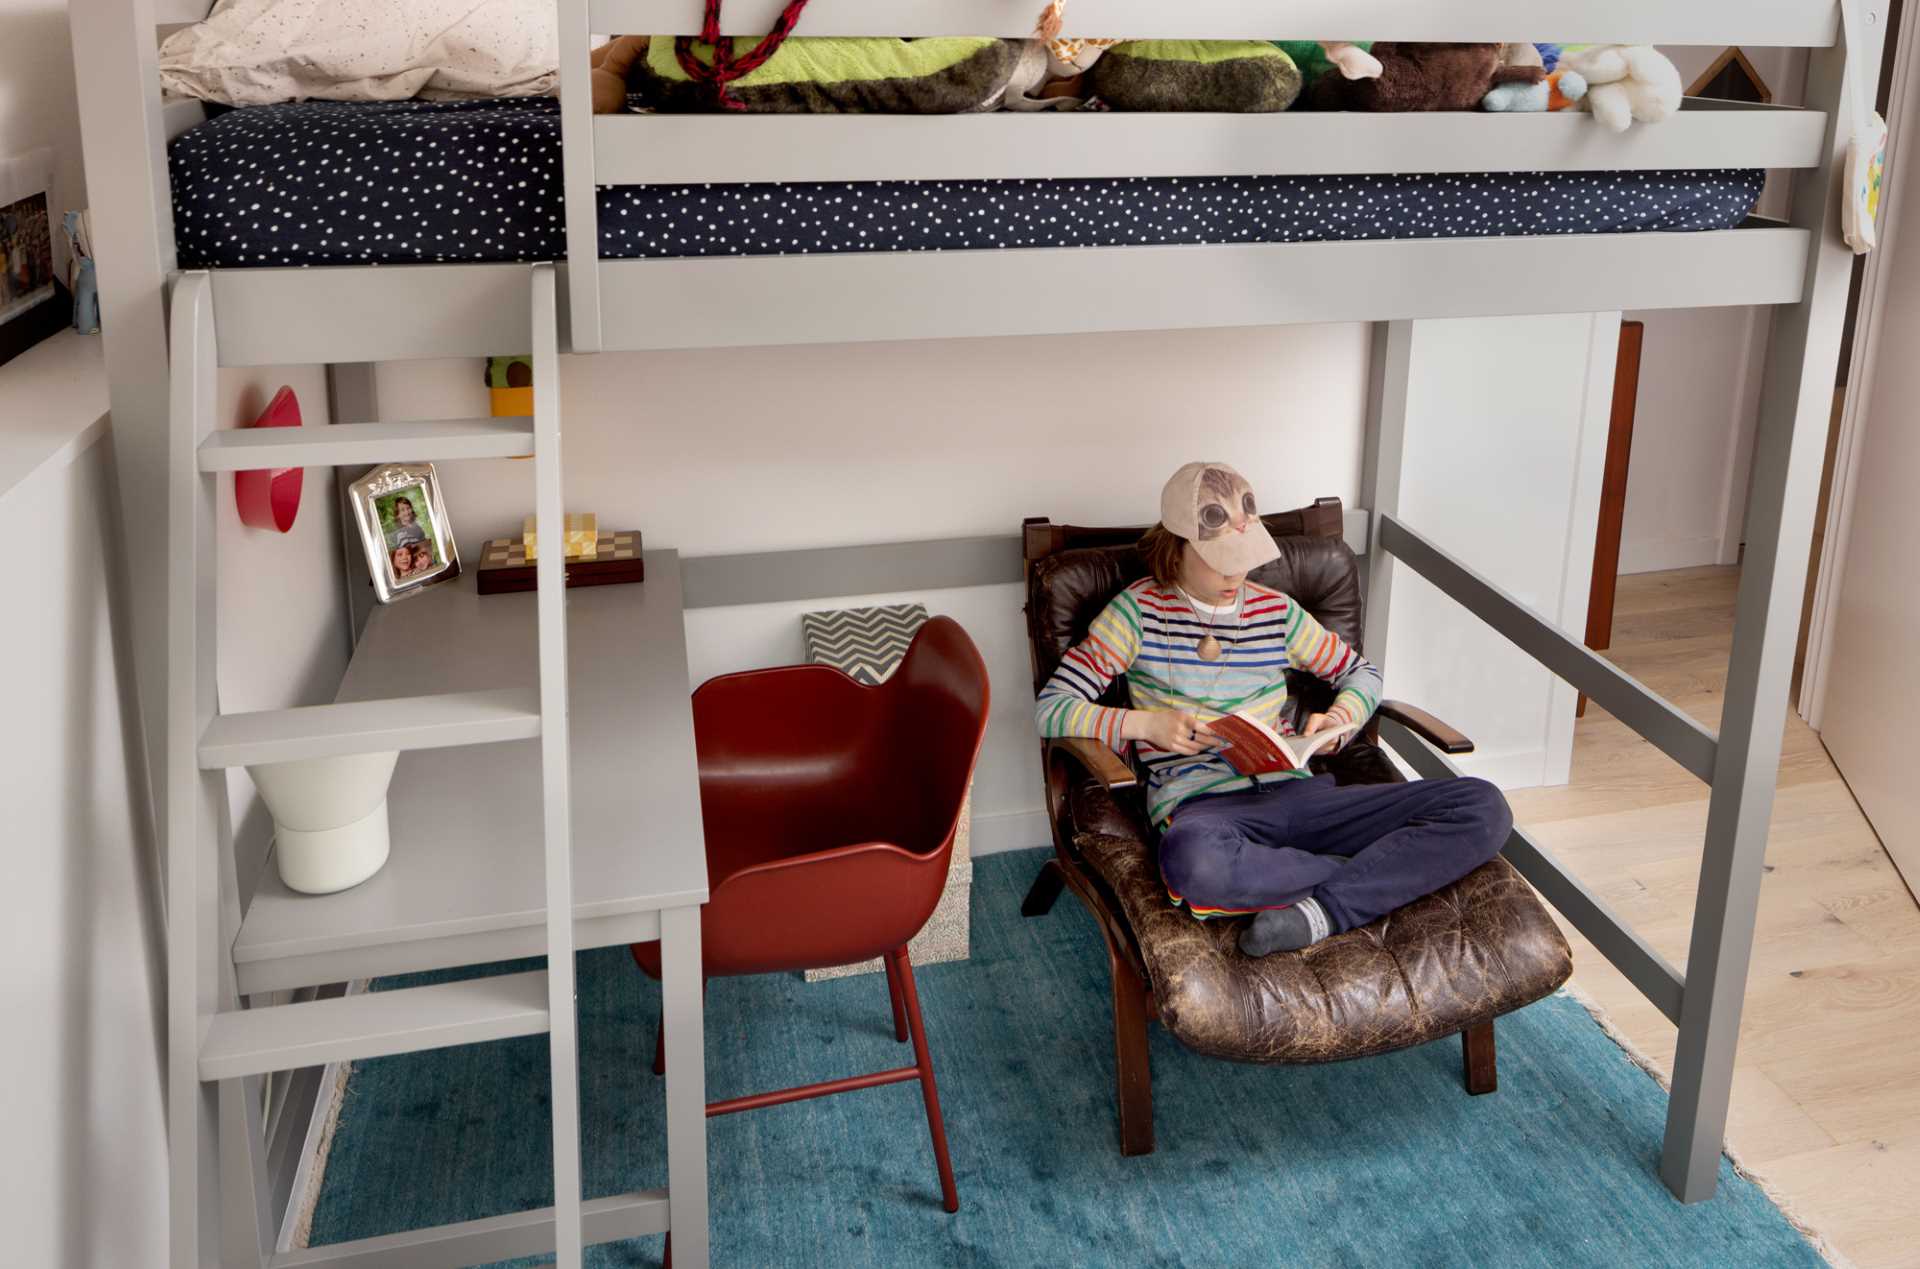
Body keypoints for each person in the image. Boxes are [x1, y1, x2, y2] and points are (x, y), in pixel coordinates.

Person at [1034, 461, 1512, 956]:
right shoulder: (1136, 614)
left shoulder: (1276, 612)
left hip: (1303, 797)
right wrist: (1143, 724)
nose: (1236, 573)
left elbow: (1362, 674)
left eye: (1243, 558)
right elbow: (1052, 708)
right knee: (1194, 866)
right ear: (1175, 547)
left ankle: (1320, 911)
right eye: (1220, 560)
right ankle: (1379, 877)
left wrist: (1341, 719)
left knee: (1482, 806)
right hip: (1205, 811)